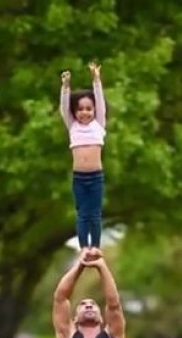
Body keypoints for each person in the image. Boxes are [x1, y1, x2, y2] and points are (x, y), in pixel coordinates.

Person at [59, 63, 107, 253]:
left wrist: (96, 79)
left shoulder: (99, 125)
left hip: (95, 177)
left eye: (89, 108)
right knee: (82, 215)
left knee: (94, 215)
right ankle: (83, 247)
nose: (85, 112)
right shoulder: (73, 126)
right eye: (80, 109)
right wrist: (65, 86)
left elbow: (101, 101)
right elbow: (64, 107)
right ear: (74, 112)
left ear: (94, 110)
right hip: (79, 177)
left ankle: (95, 246)